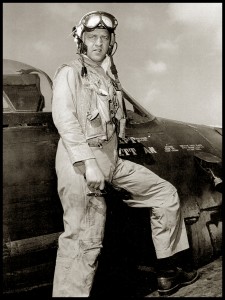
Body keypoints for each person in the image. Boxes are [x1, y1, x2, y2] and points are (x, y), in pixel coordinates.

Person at [51, 10, 199, 297]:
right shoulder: (70, 71)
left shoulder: (107, 77)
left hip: (111, 161)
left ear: (111, 43)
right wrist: (88, 163)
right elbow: (64, 119)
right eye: (92, 38)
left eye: (104, 38)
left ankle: (168, 271)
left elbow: (116, 123)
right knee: (84, 241)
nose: (98, 43)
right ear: (81, 41)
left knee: (165, 194)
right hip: (80, 163)